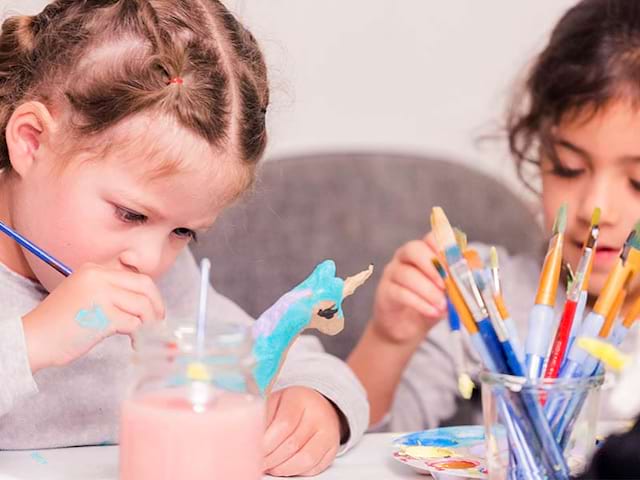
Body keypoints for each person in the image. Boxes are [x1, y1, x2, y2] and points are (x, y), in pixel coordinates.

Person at [0, 1, 368, 476]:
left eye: (183, 232)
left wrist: (319, 403)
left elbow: (290, 359)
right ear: (31, 141)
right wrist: (32, 341)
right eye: (130, 214)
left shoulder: (166, 282)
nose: (151, 260)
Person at [349, 0, 640, 432]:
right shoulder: (483, 294)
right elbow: (367, 445)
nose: (596, 210)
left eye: (637, 180)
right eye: (568, 168)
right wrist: (389, 340)